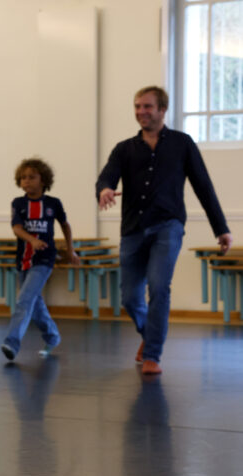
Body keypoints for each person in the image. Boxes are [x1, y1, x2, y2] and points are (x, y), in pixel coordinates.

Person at [96, 86, 232, 375]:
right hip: (132, 229)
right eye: (137, 107)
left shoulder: (182, 144)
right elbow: (107, 175)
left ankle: (153, 355)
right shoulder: (124, 149)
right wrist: (106, 188)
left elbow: (203, 186)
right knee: (129, 298)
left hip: (168, 227)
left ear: (162, 109)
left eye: (147, 106)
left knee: (159, 287)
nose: (141, 112)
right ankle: (149, 335)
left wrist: (221, 228)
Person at [1, 159, 80, 362]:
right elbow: (17, 228)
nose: (27, 181)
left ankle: (11, 343)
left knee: (24, 300)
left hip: (44, 259)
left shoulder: (53, 203)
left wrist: (70, 249)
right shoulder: (18, 204)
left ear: (43, 180)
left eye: (32, 177)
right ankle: (52, 336)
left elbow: (65, 225)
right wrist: (32, 240)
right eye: (23, 178)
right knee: (35, 305)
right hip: (24, 259)